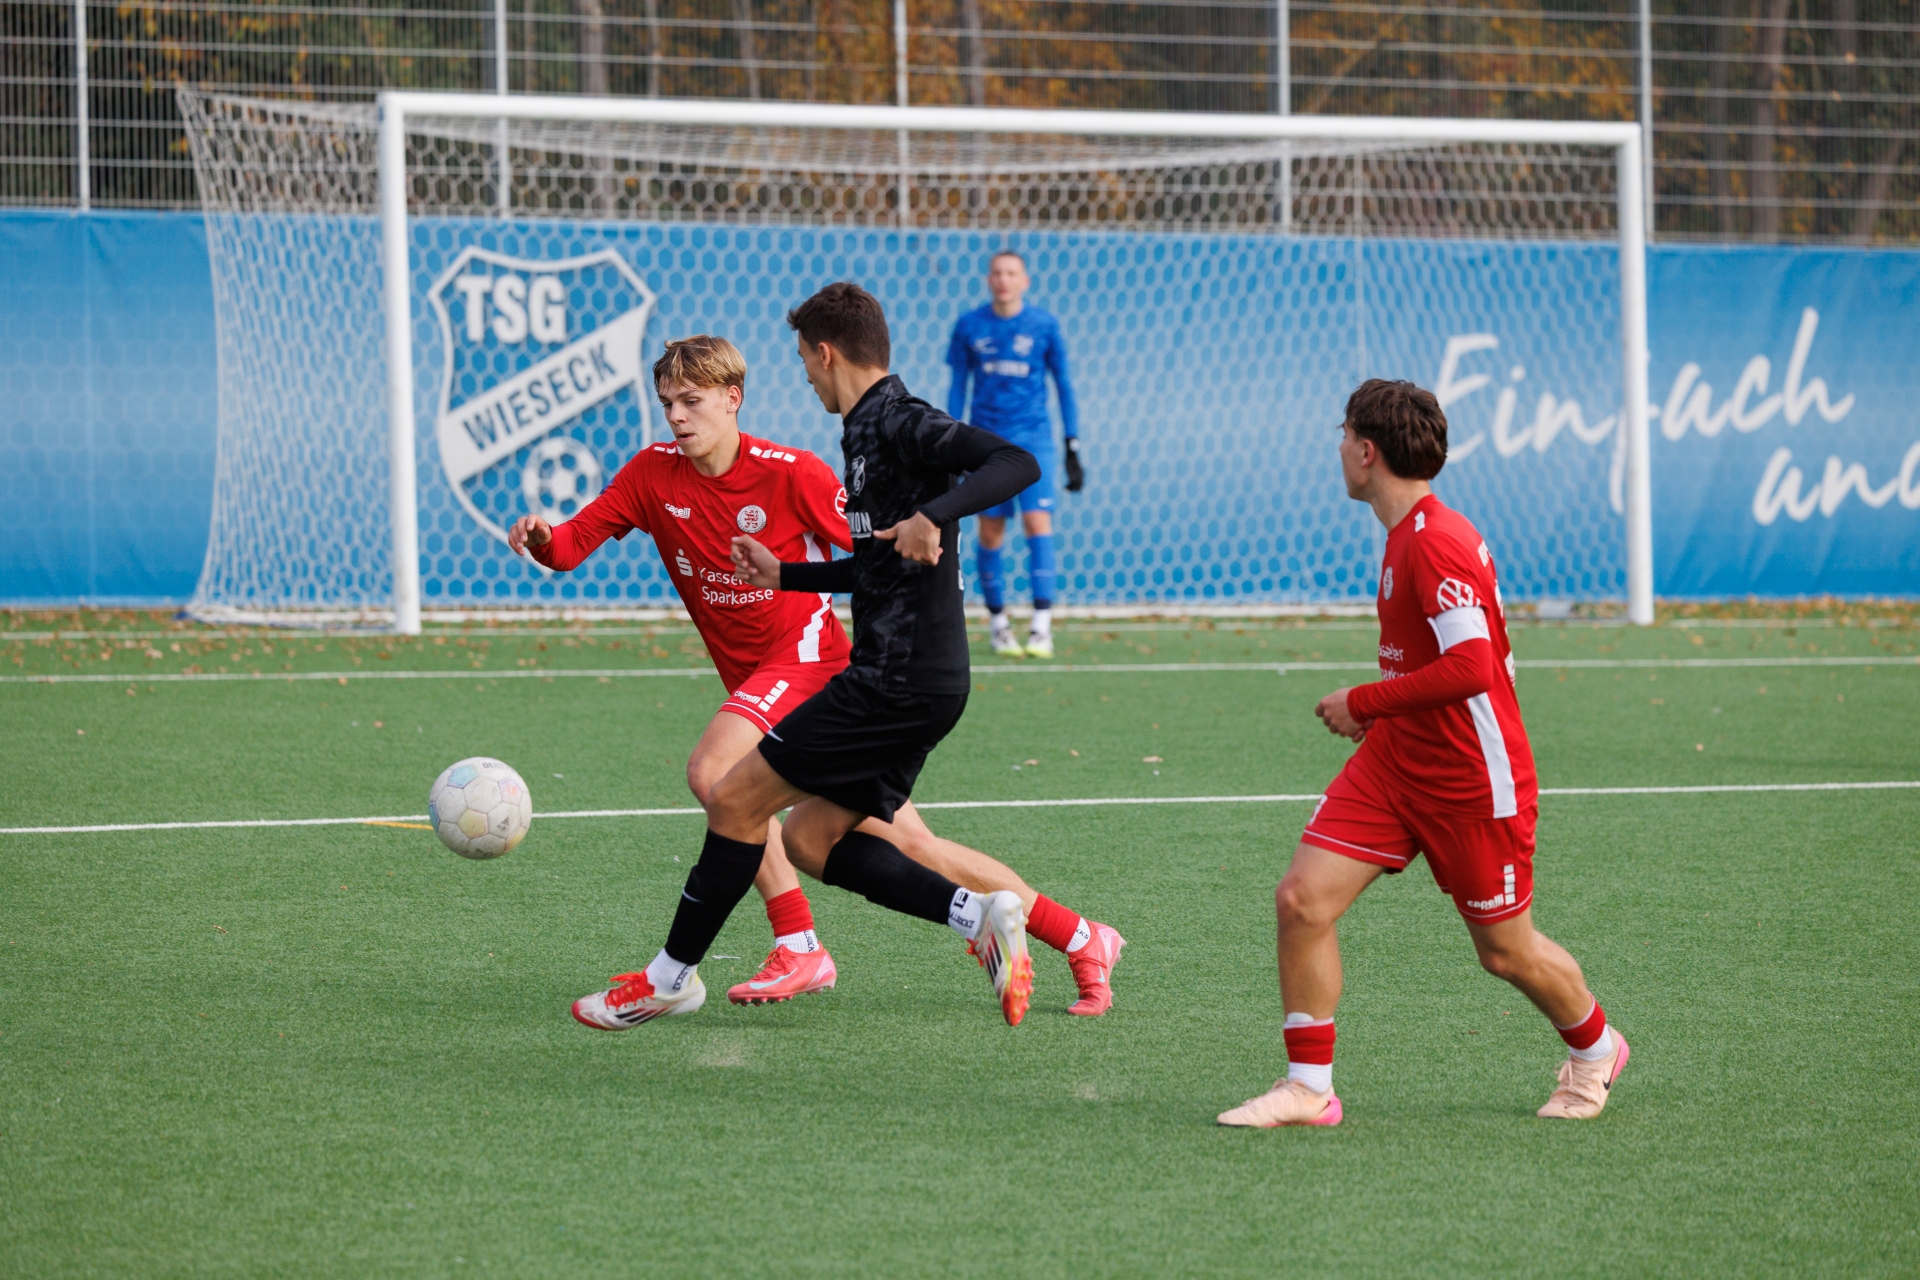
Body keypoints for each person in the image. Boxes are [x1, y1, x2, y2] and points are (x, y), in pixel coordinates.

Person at [511, 335, 1124, 1018]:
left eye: (691, 400)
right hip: (756, 681)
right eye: (667, 404)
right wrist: (542, 537)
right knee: (907, 843)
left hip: (810, 663)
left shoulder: (790, 472)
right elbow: (569, 547)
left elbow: (874, 557)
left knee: (716, 776)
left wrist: (926, 540)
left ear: (732, 399)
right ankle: (1081, 936)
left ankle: (795, 945)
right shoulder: (651, 473)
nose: (677, 416)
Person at [1218, 379, 1627, 1128]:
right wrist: (1384, 716)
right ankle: (1309, 1088)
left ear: (1366, 452)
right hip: (1395, 764)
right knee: (1302, 901)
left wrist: (1365, 701)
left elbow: (1472, 668)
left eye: (1344, 435)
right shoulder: (1406, 532)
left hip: (1472, 778)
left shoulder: (1435, 541)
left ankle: (1597, 1051)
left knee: (1505, 952)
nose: (1339, 448)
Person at [945, 250, 1082, 659]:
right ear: (989, 280)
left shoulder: (1044, 325)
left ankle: (1041, 627)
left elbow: (1064, 384)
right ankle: (999, 625)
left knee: (1038, 523)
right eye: (997, 273)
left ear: (1025, 281)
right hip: (986, 443)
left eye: (1011, 273)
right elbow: (958, 385)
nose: (1004, 279)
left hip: (1034, 439)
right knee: (991, 532)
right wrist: (950, 439)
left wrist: (1071, 443)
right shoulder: (969, 325)